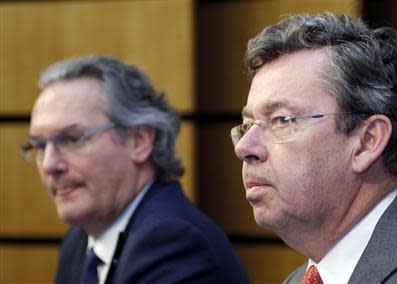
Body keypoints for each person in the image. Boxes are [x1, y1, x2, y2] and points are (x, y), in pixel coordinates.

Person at [231, 12, 397, 284]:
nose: (244, 147)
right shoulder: (300, 279)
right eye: (247, 125)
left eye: (282, 120)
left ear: (367, 142)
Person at [21, 55, 249, 284]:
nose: (50, 164)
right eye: (39, 146)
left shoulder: (173, 243)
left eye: (72, 139)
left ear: (139, 141)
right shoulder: (78, 240)